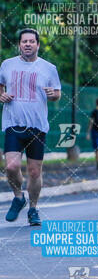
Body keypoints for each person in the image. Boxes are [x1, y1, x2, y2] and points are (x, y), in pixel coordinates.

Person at [0, 28, 62, 225]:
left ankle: (33, 209)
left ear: (38, 45)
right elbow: (0, 86)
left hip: (37, 126)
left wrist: (53, 94)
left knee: (35, 172)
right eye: (24, 41)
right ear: (19, 44)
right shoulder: (7, 65)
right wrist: (1, 95)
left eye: (31, 41)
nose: (27, 44)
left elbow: (57, 94)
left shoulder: (49, 68)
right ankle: (19, 197)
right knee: (11, 166)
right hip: (13, 123)